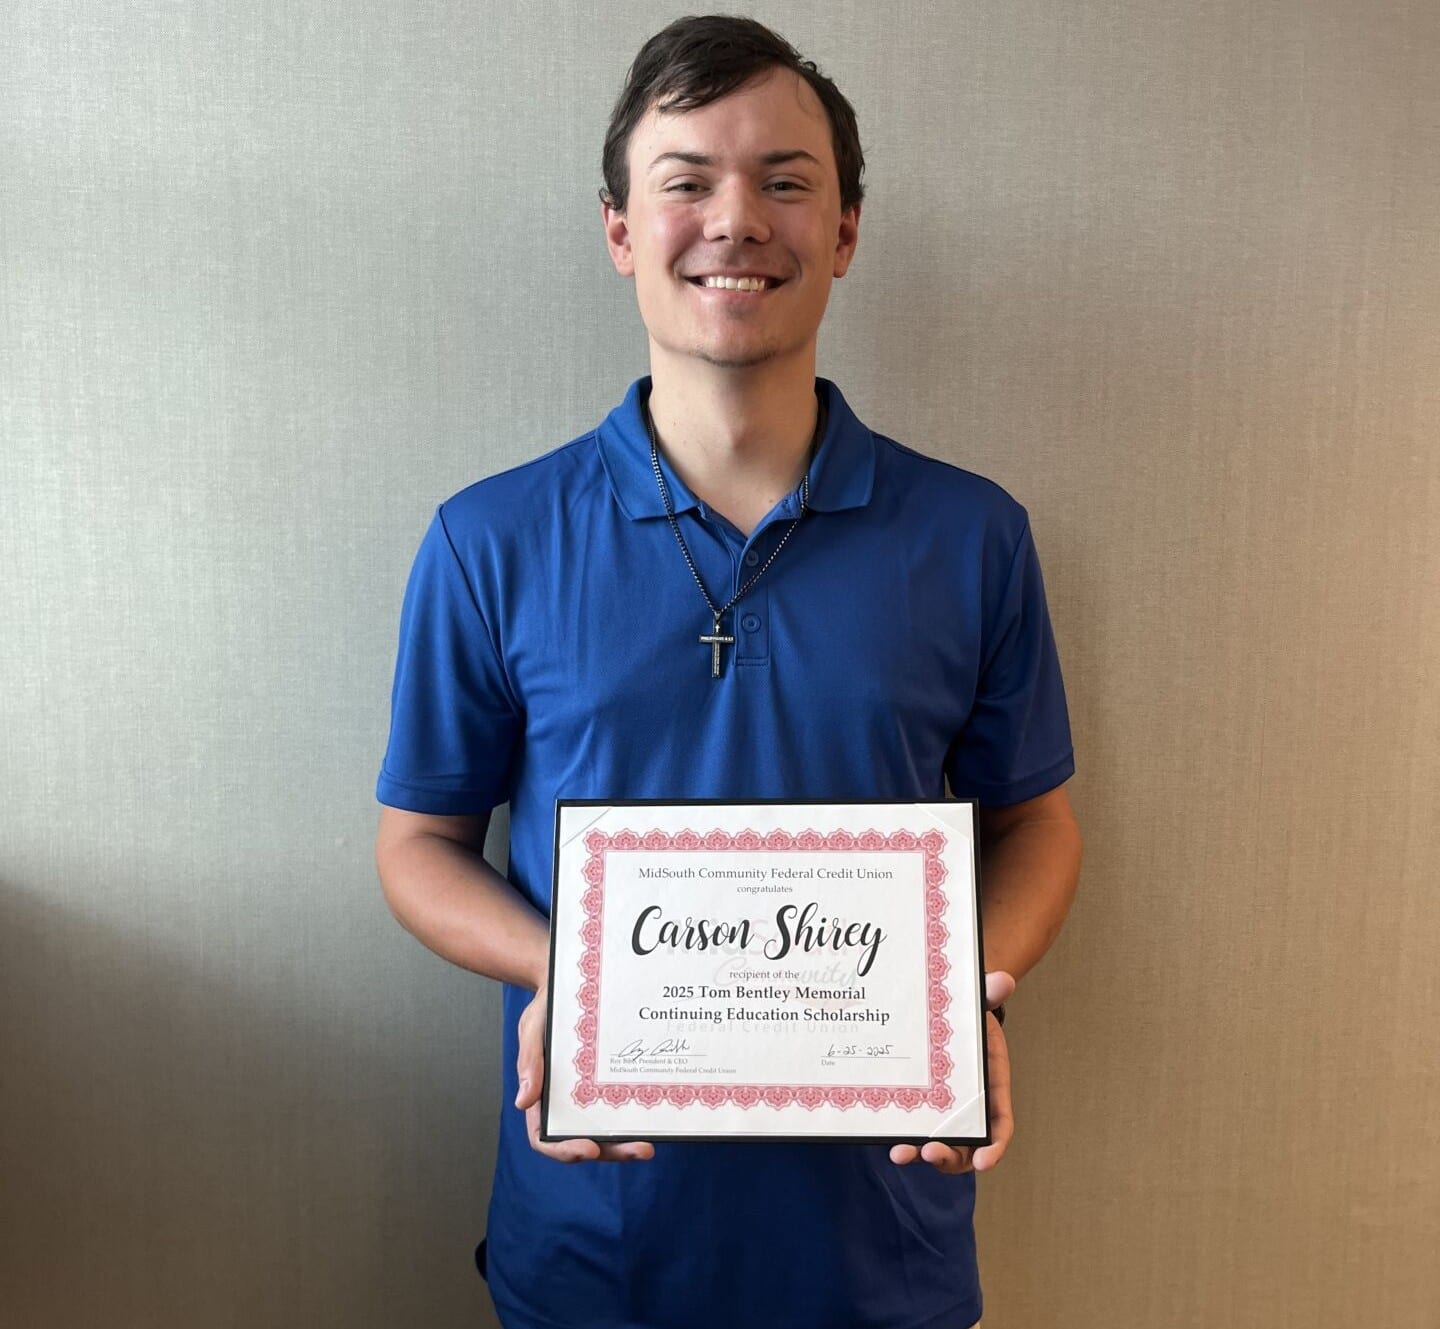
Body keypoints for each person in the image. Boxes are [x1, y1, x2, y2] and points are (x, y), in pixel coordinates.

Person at [374, 14, 1082, 1329]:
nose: (736, 217)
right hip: (594, 1244)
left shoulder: (974, 535)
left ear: (848, 230)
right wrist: (567, 975)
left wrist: (970, 984)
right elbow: (417, 842)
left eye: (786, 180)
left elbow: (1035, 821)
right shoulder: (492, 538)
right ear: (620, 231)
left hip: (884, 1251)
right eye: (687, 179)